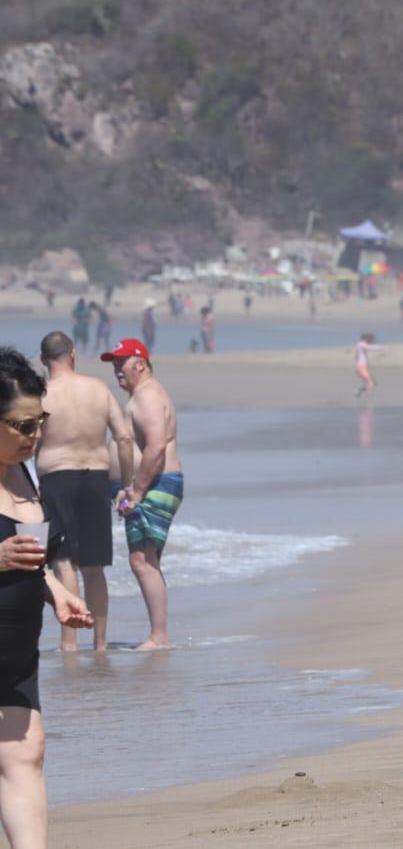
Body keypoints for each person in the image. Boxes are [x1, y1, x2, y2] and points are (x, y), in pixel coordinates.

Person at [0, 347, 94, 848]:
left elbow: (30, 557)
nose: (34, 437)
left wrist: (55, 591)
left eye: (40, 423)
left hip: (15, 652)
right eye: (22, 426)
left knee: (25, 753)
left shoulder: (24, 473)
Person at [36, 332, 134, 652]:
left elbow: (27, 441)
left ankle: (69, 644)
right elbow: (123, 439)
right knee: (94, 566)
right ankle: (101, 643)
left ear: (42, 360)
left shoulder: (41, 395)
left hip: (56, 478)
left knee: (63, 562)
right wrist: (127, 485)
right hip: (95, 478)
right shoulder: (98, 389)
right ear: (73, 354)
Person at [103, 338, 183, 650]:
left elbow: (156, 445)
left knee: (141, 560)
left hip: (156, 484)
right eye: (113, 363)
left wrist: (136, 490)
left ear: (140, 363)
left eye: (121, 362)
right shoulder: (141, 395)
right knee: (146, 559)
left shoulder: (148, 396)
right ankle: (158, 634)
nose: (116, 370)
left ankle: (159, 637)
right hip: (151, 484)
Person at [354, 332, 380, 400]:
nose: (372, 341)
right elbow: (367, 348)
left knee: (373, 383)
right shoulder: (361, 344)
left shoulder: (360, 345)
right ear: (367, 339)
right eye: (371, 340)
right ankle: (369, 400)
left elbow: (357, 356)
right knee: (370, 383)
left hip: (362, 367)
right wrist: (381, 348)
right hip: (361, 367)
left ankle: (358, 391)